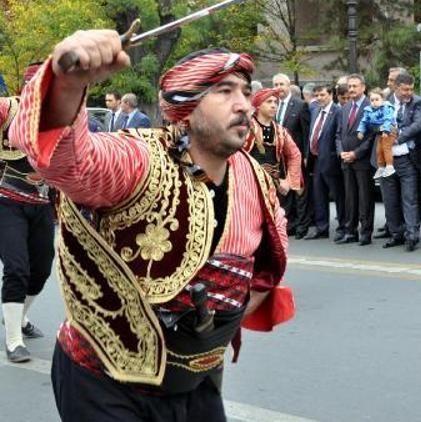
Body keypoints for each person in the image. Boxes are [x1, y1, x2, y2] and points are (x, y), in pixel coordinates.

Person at [10, 31, 293, 421]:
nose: (244, 105)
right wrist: (68, 84)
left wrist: (205, 337)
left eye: (245, 92)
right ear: (186, 108)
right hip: (105, 383)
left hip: (195, 382)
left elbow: (266, 270)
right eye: (225, 91)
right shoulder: (142, 159)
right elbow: (70, 163)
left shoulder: (255, 179)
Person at [0, 63, 54, 363]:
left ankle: (18, 317)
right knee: (17, 268)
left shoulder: (64, 117)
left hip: (43, 204)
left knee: (42, 270)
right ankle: (14, 340)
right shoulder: (8, 109)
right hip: (7, 202)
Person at [381, 73, 421, 252]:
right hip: (386, 161)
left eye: (411, 89)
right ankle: (396, 234)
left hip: (407, 159)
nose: (409, 93)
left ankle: (412, 235)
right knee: (390, 199)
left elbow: (418, 125)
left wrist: (397, 137)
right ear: (396, 88)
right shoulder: (384, 101)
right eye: (405, 89)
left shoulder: (418, 102)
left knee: (409, 199)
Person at [336, 73, 375, 246]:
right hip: (346, 160)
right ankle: (350, 231)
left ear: (363, 87)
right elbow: (338, 134)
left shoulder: (371, 106)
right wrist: (341, 152)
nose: (351, 89)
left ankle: (365, 232)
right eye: (349, 86)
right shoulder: (345, 107)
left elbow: (372, 136)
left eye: (354, 86)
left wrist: (356, 153)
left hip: (362, 161)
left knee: (365, 198)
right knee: (350, 197)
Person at [244, 88, 303, 201]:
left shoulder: (280, 131)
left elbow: (295, 155)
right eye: (269, 102)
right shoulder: (245, 128)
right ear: (258, 105)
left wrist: (288, 181)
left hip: (273, 188)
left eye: (276, 102)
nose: (273, 105)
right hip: (248, 186)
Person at [304, 84, 346, 241]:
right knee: (319, 195)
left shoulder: (338, 111)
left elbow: (339, 135)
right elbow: (312, 133)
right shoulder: (315, 110)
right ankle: (322, 228)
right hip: (315, 160)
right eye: (317, 95)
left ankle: (343, 227)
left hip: (332, 161)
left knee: (338, 196)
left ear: (331, 95)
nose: (319, 98)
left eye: (322, 95)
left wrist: (336, 155)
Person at [273, 73, 311, 239]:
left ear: (289, 86)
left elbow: (306, 133)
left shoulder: (300, 105)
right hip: (278, 158)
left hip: (296, 157)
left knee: (299, 192)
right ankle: (288, 225)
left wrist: (306, 156)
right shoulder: (272, 105)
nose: (278, 88)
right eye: (276, 84)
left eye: (281, 84)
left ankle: (302, 226)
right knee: (284, 193)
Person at [356, 88, 397, 179]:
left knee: (386, 147)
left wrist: (386, 130)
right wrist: (361, 131)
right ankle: (381, 167)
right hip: (380, 132)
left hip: (389, 130)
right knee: (378, 150)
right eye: (372, 100)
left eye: (377, 99)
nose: (374, 102)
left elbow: (388, 119)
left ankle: (390, 166)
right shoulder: (369, 110)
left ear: (382, 99)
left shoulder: (386, 107)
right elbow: (364, 121)